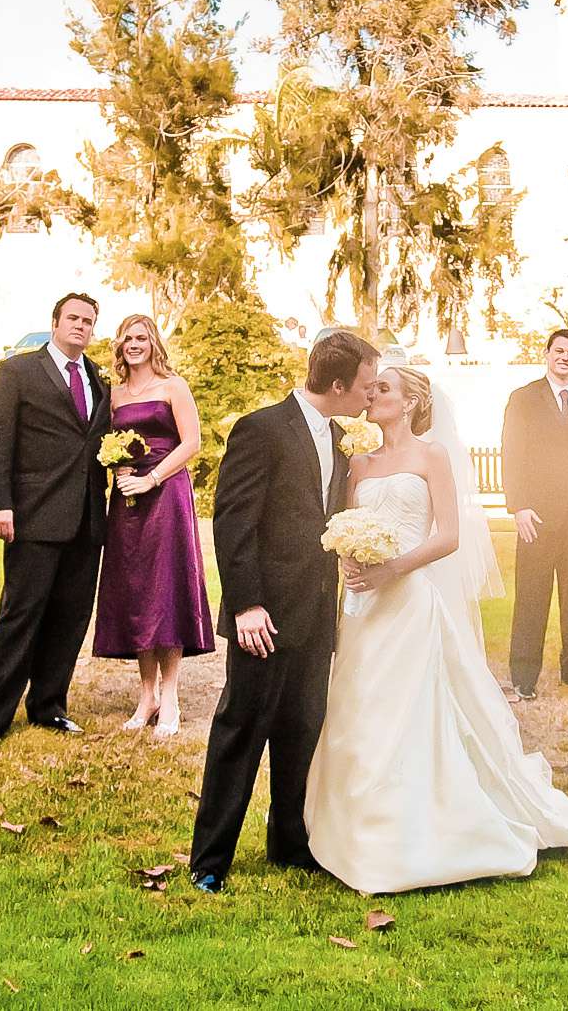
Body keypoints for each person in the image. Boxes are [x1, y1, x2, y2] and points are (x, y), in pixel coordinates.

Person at [306, 366, 568, 893]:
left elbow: (448, 535)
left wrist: (393, 568)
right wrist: (350, 565)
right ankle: (355, 828)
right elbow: (344, 527)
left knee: (410, 712)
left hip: (407, 601)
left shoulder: (432, 456)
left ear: (408, 403)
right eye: (372, 387)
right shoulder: (357, 462)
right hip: (361, 609)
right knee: (359, 708)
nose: (371, 394)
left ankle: (423, 826)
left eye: (383, 389)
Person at [188, 331, 378, 893]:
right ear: (338, 384)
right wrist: (246, 604)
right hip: (263, 616)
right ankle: (210, 859)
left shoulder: (340, 437)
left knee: (302, 730)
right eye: (366, 385)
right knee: (241, 730)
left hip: (317, 613)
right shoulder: (262, 428)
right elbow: (234, 523)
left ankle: (290, 843)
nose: (370, 396)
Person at [0, 293, 111, 740]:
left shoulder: (98, 378)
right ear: (54, 322)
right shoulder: (18, 372)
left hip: (87, 518)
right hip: (33, 515)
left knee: (71, 616)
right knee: (22, 613)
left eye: (88, 321)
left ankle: (49, 705)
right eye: (73, 318)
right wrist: (1, 504)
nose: (80, 326)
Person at [93, 314, 212, 738]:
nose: (134, 344)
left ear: (153, 342)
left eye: (141, 337)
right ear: (119, 345)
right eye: (127, 338)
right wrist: (121, 467)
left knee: (166, 588)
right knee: (138, 590)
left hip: (166, 493)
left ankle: (172, 696)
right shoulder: (116, 394)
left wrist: (151, 478)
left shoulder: (173, 386)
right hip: (127, 497)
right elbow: (109, 443)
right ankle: (147, 696)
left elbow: (192, 443)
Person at [502, 329, 568, 699]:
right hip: (537, 514)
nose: (565, 357)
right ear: (546, 354)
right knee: (532, 594)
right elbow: (512, 452)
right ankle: (524, 677)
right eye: (559, 351)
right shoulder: (524, 399)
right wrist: (519, 506)